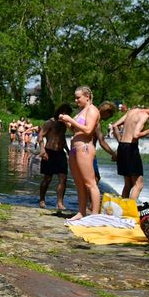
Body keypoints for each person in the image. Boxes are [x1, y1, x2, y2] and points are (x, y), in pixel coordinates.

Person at [108, 103, 149, 201]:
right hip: (131, 148)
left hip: (122, 146)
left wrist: (120, 141)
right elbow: (135, 135)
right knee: (138, 184)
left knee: (128, 184)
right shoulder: (144, 116)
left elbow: (114, 126)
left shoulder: (132, 111)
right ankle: (130, 210)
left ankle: (123, 210)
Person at [59, 86, 101, 220]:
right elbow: (76, 130)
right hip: (74, 149)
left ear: (87, 97)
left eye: (78, 97)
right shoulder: (81, 111)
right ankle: (81, 212)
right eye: (75, 97)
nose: (75, 100)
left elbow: (88, 130)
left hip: (85, 148)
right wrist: (67, 122)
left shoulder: (92, 110)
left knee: (90, 183)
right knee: (78, 182)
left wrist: (70, 120)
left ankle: (94, 214)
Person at [38, 104, 71, 210]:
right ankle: (42, 199)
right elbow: (40, 135)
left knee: (63, 178)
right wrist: (42, 150)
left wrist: (68, 151)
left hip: (60, 153)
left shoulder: (64, 124)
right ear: (59, 112)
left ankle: (60, 203)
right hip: (49, 152)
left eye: (67, 113)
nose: (65, 115)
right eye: (63, 112)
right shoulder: (50, 122)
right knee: (47, 178)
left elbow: (62, 138)